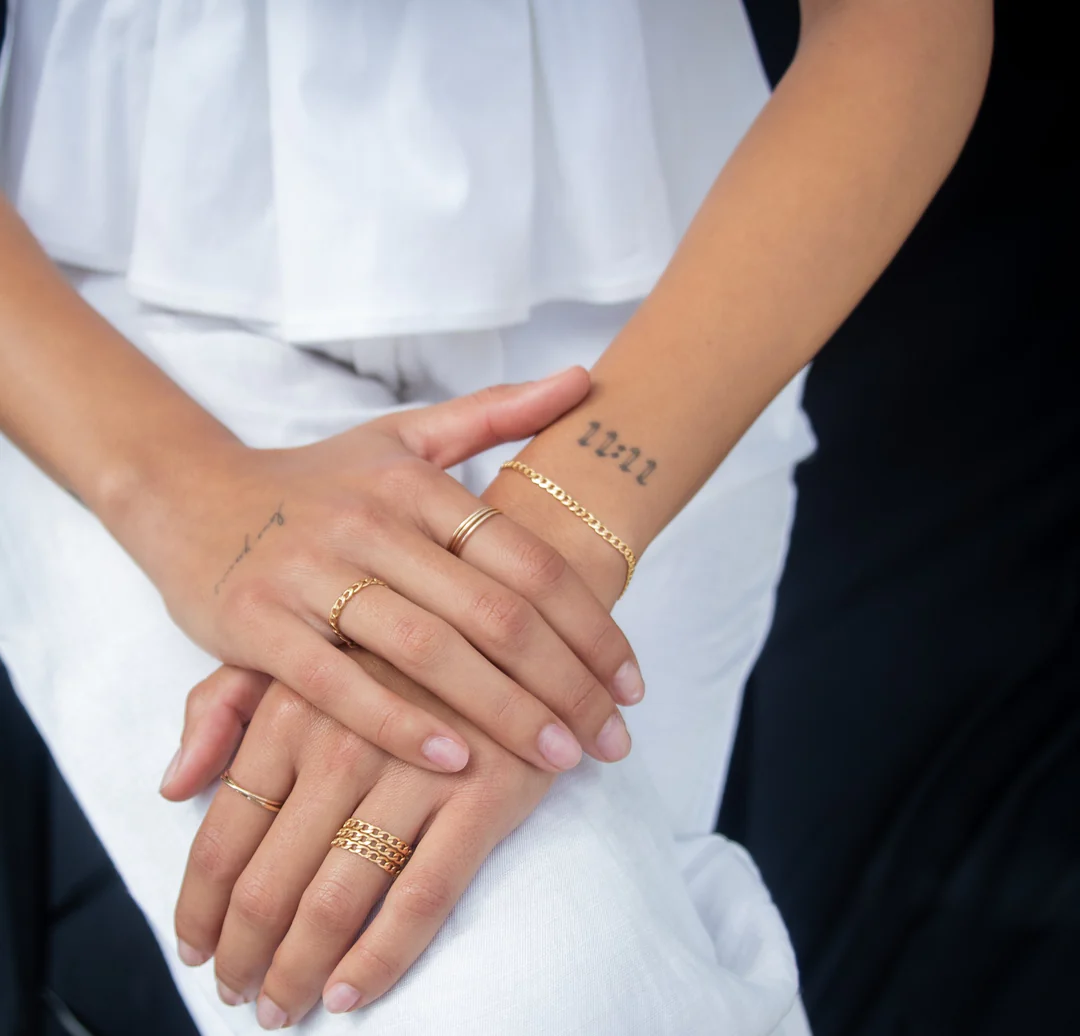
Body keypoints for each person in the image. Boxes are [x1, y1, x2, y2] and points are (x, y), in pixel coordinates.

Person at [0, 1, 991, 1032]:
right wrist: (179, 490)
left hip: (670, 330)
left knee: (569, 984)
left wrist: (528, 568)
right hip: (118, 332)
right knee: (531, 991)